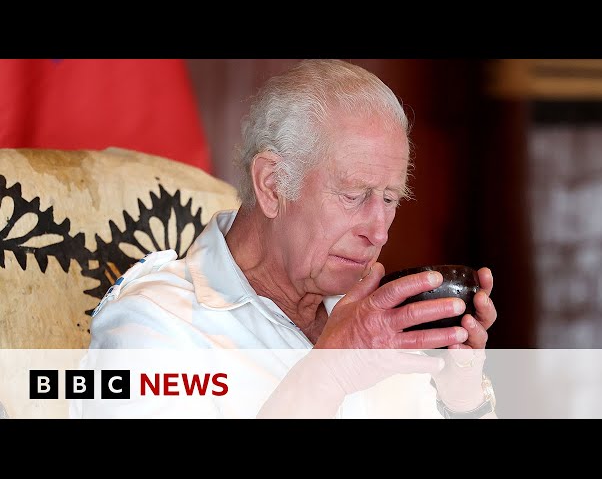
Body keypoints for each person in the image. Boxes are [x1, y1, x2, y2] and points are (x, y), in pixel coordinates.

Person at [75, 59, 498, 419]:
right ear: (273, 185)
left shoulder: (375, 320)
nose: (379, 231)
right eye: (353, 196)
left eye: (389, 199)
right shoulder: (152, 324)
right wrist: (328, 374)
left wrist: (460, 397)